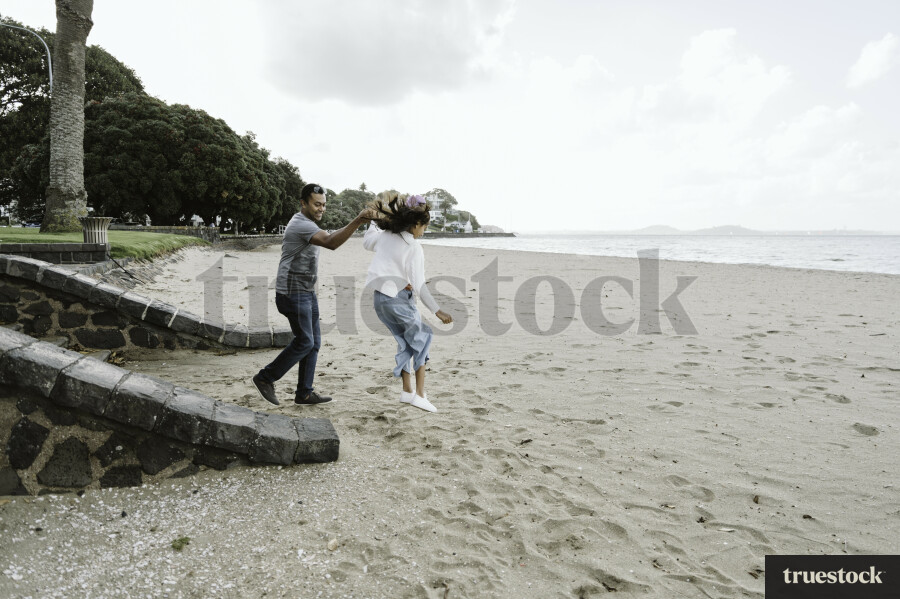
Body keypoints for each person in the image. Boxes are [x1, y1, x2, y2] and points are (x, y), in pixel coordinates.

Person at [252, 183, 375, 406]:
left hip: (306, 292)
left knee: (314, 342)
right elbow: (331, 242)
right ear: (303, 203)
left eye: (324, 205)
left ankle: (304, 393)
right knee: (305, 341)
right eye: (317, 204)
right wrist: (358, 220)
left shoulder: (308, 224)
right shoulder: (301, 225)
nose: (321, 209)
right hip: (292, 292)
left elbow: (330, 236)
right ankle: (265, 378)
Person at [363, 191, 453, 413]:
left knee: (404, 340)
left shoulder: (385, 236)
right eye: (423, 227)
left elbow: (367, 242)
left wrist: (373, 222)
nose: (423, 232)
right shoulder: (413, 247)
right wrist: (437, 310)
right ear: (414, 224)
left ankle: (406, 391)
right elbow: (419, 284)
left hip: (379, 300)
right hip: (398, 299)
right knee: (423, 337)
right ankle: (420, 395)